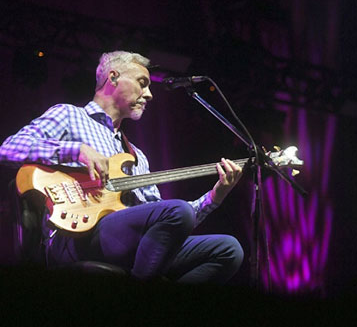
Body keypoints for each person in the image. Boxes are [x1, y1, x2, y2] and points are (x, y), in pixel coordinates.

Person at [0, 50, 244, 284]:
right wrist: (76, 150)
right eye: (142, 82)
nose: (149, 94)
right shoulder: (69, 115)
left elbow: (166, 218)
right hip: (77, 235)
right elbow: (9, 148)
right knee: (178, 211)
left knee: (228, 249)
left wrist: (215, 196)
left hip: (130, 243)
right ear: (113, 77)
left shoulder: (137, 156)